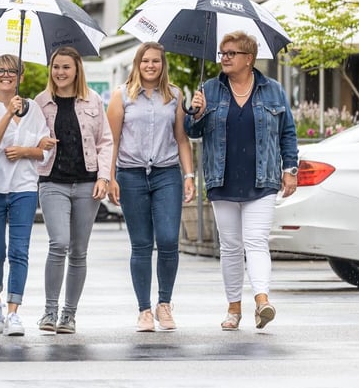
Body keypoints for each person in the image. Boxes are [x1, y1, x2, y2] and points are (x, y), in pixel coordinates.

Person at [186, 30, 298, 331]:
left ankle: (262, 301)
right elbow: (192, 132)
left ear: (249, 58)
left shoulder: (273, 90)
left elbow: (287, 132)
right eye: (222, 53)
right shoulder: (210, 89)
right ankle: (233, 308)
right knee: (231, 246)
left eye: (231, 53)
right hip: (222, 179)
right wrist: (195, 113)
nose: (224, 58)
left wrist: (290, 169)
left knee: (256, 240)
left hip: (262, 179)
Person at [106, 42, 196, 332]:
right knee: (142, 244)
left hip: (166, 173)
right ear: (137, 63)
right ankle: (144, 310)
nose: (150, 65)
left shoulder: (175, 96)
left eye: (156, 61)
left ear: (162, 64)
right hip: (131, 175)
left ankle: (164, 304)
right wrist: (110, 177)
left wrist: (189, 175)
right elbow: (111, 141)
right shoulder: (121, 96)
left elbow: (181, 139)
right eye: (145, 61)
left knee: (169, 240)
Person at [0, 54, 54, 337]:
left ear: (21, 77)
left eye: (12, 71)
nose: (6, 75)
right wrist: (8, 113)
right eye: (1, 71)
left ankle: (13, 312)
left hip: (24, 188)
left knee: (19, 251)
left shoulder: (34, 109)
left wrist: (28, 150)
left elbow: (44, 150)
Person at [33, 46, 113, 334]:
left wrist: (104, 177)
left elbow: (105, 141)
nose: (60, 72)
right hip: (52, 181)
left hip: (87, 183)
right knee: (59, 243)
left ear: (77, 70)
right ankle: (49, 311)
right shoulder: (40, 102)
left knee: (79, 251)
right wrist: (39, 143)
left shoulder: (93, 100)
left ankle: (69, 315)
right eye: (56, 67)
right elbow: (29, 139)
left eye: (66, 67)